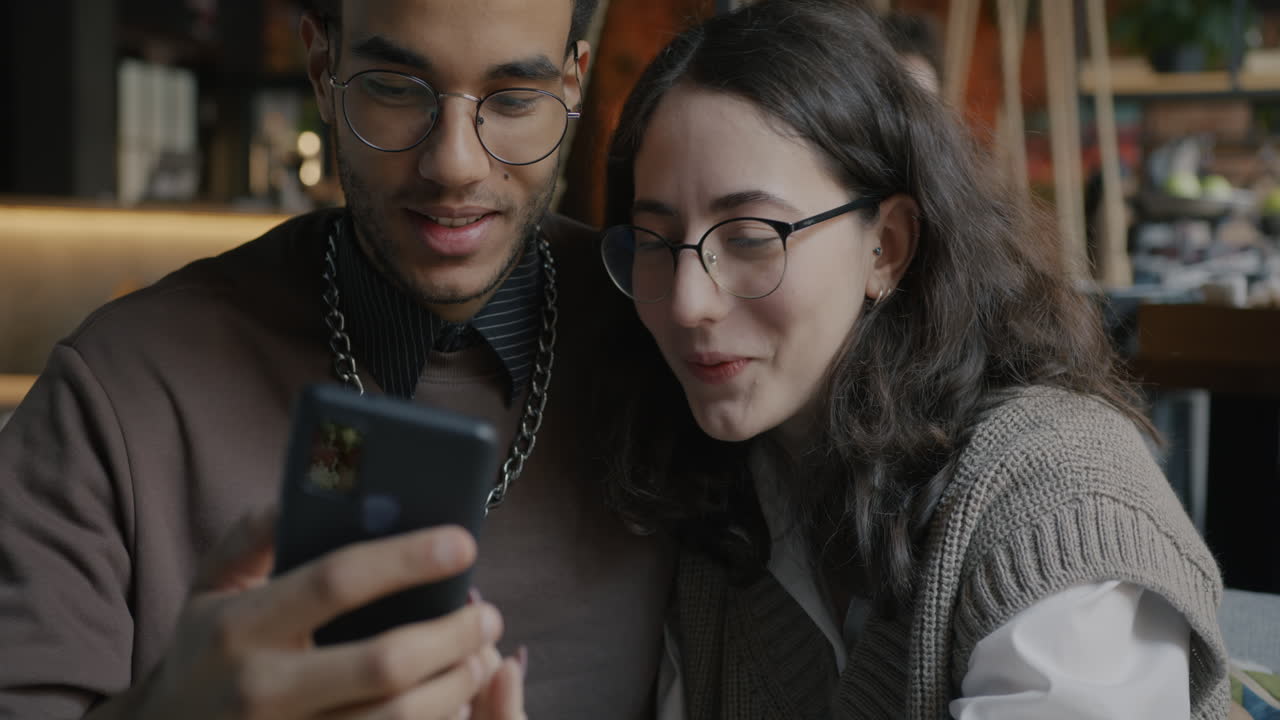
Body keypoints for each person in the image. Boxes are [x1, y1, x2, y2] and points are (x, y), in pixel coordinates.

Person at [0, 1, 673, 718]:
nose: (454, 163)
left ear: (572, 87)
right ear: (324, 69)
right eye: (394, 87)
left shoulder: (674, 347)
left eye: (512, 99)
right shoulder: (120, 386)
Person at [597, 1, 1230, 718]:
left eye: (749, 236)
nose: (686, 302)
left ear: (886, 246)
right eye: (654, 242)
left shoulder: (1058, 496)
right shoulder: (722, 507)